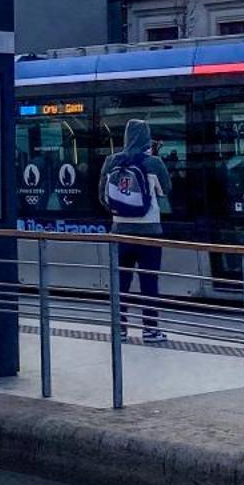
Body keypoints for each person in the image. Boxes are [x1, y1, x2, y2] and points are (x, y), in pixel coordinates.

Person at [98, 119, 170, 345]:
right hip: (149, 232)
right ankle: (150, 330)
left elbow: (103, 197)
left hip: (119, 231)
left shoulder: (111, 161)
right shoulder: (154, 163)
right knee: (149, 281)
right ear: (146, 137)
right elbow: (165, 190)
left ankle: (119, 329)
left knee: (120, 282)